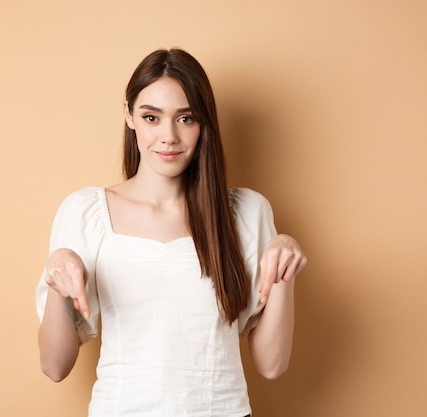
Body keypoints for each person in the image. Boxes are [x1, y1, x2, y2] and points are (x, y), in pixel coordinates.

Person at [36, 48, 307, 417]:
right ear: (129, 115)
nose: (168, 136)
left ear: (204, 123)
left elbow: (272, 365)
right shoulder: (85, 213)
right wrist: (56, 280)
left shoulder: (246, 213)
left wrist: (284, 273)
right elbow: (55, 366)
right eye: (151, 117)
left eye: (186, 118)